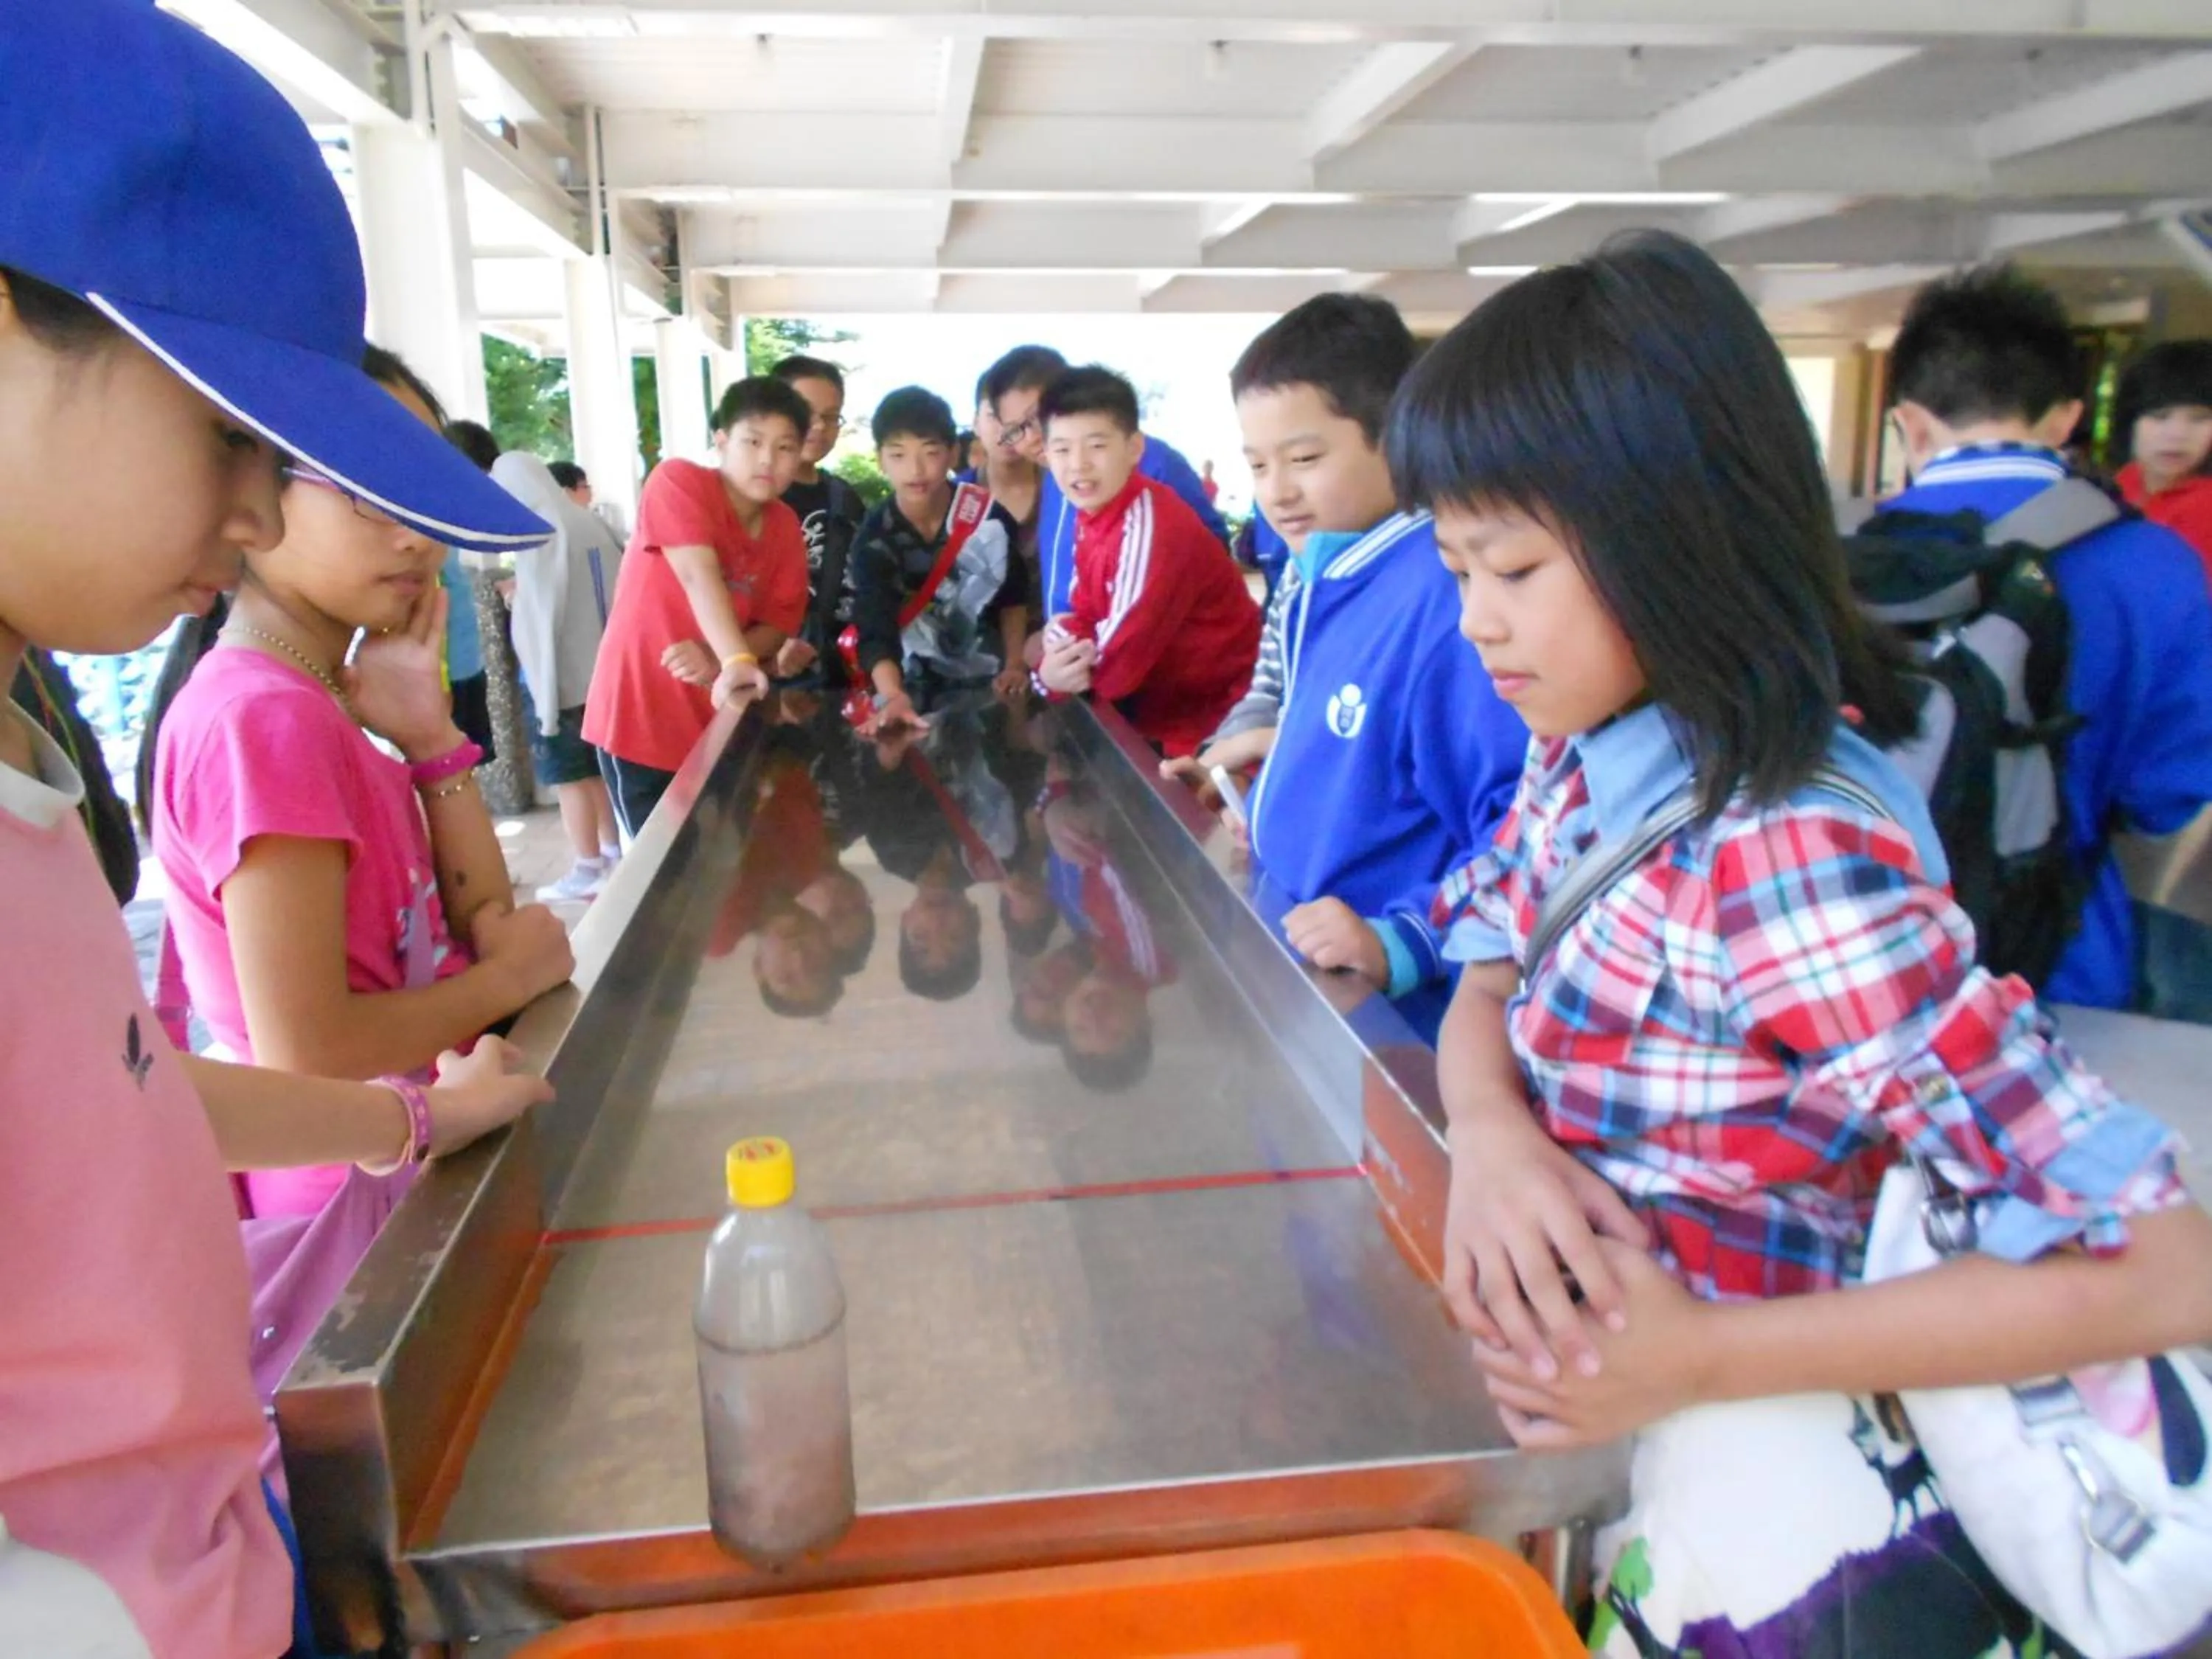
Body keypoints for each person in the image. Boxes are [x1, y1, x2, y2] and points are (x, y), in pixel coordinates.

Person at [1397, 231, 2212, 1655]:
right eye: (1455, 568)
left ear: (1679, 528)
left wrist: (1704, 1358)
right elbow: (1491, 950)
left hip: (1782, 1510)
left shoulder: (1780, 856)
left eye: (1511, 566)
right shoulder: (1590, 753)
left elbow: (2159, 1265)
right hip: (1634, 1444)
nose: (1477, 624)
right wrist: (1490, 1128)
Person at [0, 2, 555, 1650]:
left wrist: (389, 1128)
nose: (254, 511)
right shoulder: (242, 723)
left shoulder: (38, 755)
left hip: (214, 1549)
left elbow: (111, 1090)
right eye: (230, 430)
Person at [150, 344, 577, 1218]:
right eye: (360, 483)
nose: (414, 529)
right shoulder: (265, 719)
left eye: (418, 484)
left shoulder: (311, 701)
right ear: (253, 489)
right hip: (357, 1198)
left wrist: (429, 742)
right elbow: (307, 1052)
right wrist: (499, 985)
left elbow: (476, 922)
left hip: (409, 1154)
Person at [1161, 293, 1526, 1043]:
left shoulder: (1441, 599)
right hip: (1313, 975)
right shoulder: (1320, 575)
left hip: (1401, 1016)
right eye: (1257, 464)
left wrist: (1406, 938)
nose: (1277, 491)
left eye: (1304, 459)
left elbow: (1520, 825)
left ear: (1397, 440)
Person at [1882, 266, 2212, 1012]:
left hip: (1859, 972)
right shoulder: (2156, 564)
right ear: (2066, 419)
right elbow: (2169, 795)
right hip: (2062, 964)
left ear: (1910, 423)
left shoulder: (1836, 557)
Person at [582, 376, 811, 838]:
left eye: (786, 447)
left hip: (722, 722)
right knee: (661, 878)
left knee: (724, 868)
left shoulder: (784, 526)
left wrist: (721, 659)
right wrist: (738, 659)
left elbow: (779, 623)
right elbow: (696, 573)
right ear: (722, 441)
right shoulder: (678, 482)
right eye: (752, 441)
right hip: (641, 719)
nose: (768, 459)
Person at [1034, 366, 1260, 757]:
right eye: (1062, 449)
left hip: (1220, 725)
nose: (1078, 464)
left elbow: (1117, 663)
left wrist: (1053, 676)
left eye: (1097, 446)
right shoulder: (1092, 516)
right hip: (1165, 717)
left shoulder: (1149, 524)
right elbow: (1077, 615)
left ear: (1134, 449)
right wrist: (1054, 666)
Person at [978, 344, 1230, 642]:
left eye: (1036, 418)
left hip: (1152, 659)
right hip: (1081, 659)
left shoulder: (1153, 463)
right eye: (1016, 430)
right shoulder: (1055, 476)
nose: (1033, 438)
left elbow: (1211, 557)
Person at [850, 385, 1029, 729]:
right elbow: (874, 625)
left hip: (992, 688)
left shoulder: (986, 515)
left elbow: (1014, 595)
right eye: (898, 455)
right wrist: (891, 694)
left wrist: (1016, 664)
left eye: (930, 452)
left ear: (952, 453)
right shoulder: (874, 536)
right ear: (880, 459)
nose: (915, 470)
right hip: (909, 688)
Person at [492, 451, 625, 898]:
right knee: (597, 772)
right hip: (603, 675)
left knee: (569, 777)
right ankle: (611, 854)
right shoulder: (586, 520)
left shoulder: (544, 533)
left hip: (563, 681)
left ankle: (586, 867)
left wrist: (517, 601)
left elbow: (543, 617)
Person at [768, 353, 869, 685]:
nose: (818, 427)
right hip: (765, 674)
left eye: (831, 417)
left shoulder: (844, 498)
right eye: (805, 413)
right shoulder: (751, 498)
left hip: (836, 674)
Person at [2113, 338, 2212, 580]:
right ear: (2130, 422)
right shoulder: (2114, 487)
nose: (2177, 434)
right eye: (2159, 417)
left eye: (2199, 419)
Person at [439, 417, 504, 765]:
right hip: (441, 675)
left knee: (467, 766)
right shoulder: (420, 518)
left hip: (467, 664)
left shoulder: (449, 515)